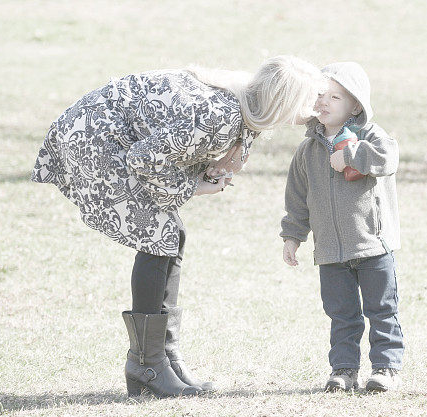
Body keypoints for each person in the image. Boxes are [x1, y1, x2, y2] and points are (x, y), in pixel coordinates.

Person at [32, 56, 324, 398]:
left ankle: (164, 358)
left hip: (105, 133)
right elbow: (143, 159)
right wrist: (196, 186)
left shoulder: (244, 102)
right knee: (160, 236)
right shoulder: (221, 116)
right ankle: (146, 364)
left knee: (171, 235)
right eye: (311, 100)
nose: (317, 107)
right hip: (93, 139)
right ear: (284, 102)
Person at [280, 62, 404, 392]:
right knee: (341, 315)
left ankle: (386, 368)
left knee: (382, 310)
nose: (324, 101)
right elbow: (297, 198)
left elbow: (388, 159)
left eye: (335, 96)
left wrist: (352, 154)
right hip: (331, 250)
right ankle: (344, 369)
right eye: (319, 94)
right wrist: (293, 236)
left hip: (372, 245)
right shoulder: (307, 150)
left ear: (355, 106)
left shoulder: (370, 137)